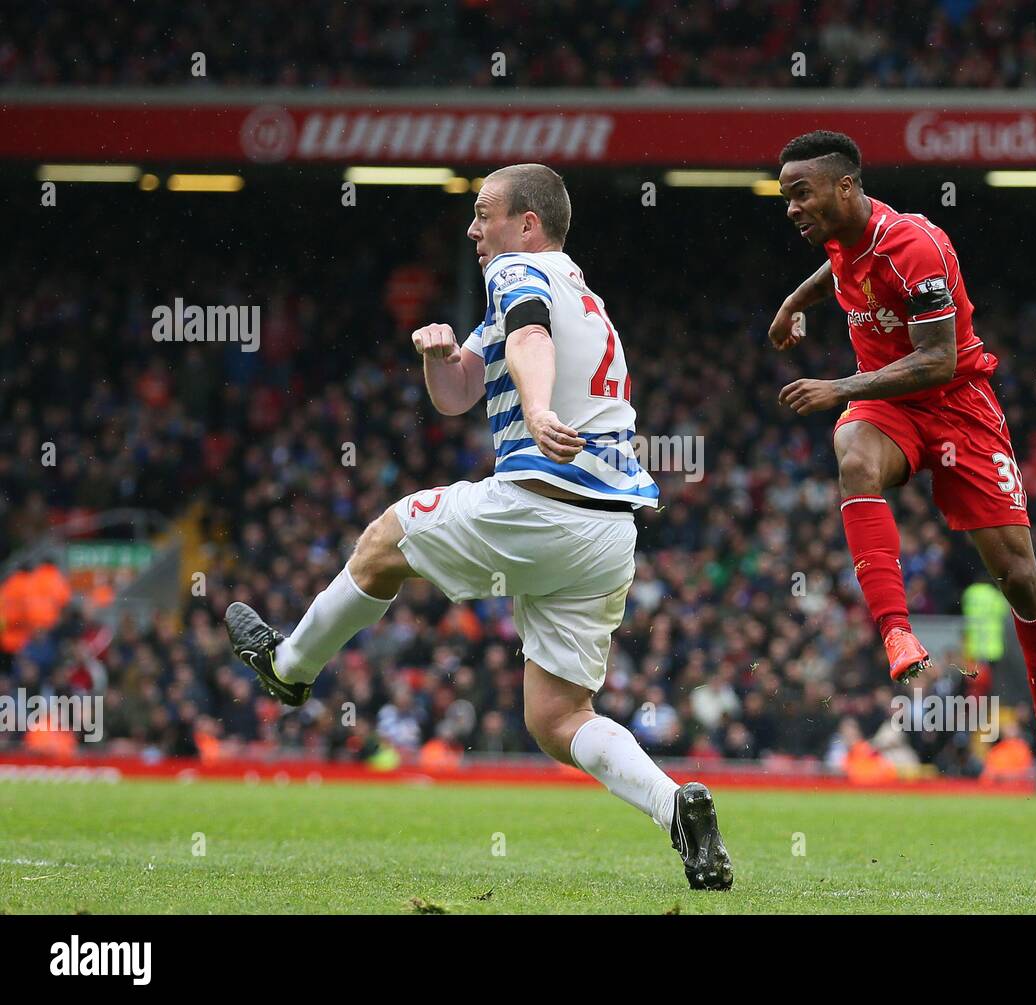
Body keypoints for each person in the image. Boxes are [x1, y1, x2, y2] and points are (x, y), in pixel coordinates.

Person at [225, 163, 732, 890]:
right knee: (557, 716)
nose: (472, 229)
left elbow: (529, 341)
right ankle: (674, 806)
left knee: (383, 540)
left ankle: (290, 669)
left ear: (527, 223)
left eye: (484, 212)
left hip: (543, 503)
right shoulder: (582, 293)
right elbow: (461, 393)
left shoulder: (519, 272)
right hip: (609, 532)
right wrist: (442, 359)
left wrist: (533, 410)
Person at [767, 130, 1036, 816]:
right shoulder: (840, 234)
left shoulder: (916, 245)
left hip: (956, 404)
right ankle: (896, 631)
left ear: (846, 187)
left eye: (800, 193)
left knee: (1020, 579)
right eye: (786, 195)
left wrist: (841, 385)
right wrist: (794, 304)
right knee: (853, 459)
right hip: (889, 407)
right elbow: (839, 268)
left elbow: (938, 359)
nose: (790, 207)